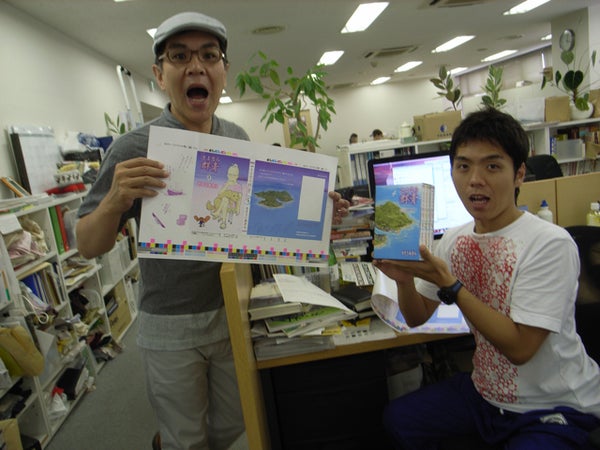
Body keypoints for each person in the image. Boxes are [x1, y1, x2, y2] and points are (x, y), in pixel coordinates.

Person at [76, 11, 349, 450]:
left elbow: (258, 222)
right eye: (179, 56)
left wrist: (316, 219)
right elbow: (88, 245)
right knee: (187, 440)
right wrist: (113, 201)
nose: (195, 67)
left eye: (208, 55)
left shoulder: (236, 139)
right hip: (169, 322)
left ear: (224, 71)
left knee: (237, 421)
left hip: (231, 309)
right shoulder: (133, 147)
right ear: (159, 74)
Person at [373, 108, 600, 449]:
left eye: (492, 166)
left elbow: (521, 349)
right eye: (464, 166)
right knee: (398, 420)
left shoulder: (549, 243)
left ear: (519, 174)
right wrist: (403, 281)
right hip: (486, 394)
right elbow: (417, 316)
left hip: (553, 405)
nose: (475, 180)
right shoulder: (454, 239)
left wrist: (452, 286)